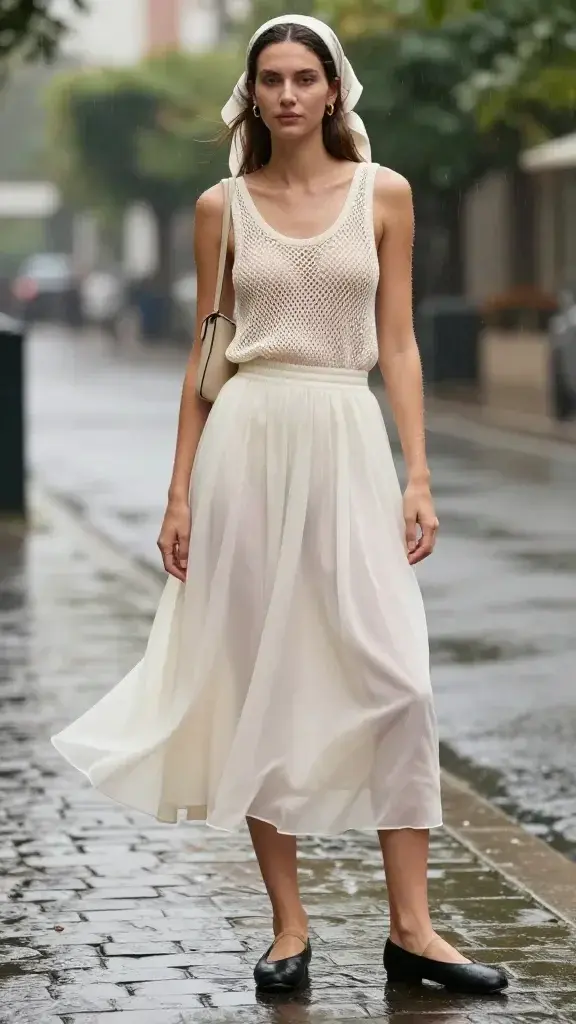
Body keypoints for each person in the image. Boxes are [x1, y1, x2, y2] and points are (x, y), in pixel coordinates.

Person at [52, 13, 507, 999]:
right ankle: (289, 925)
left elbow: (400, 346)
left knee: (400, 680)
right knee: (262, 674)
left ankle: (413, 929)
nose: (290, 94)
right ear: (251, 94)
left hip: (347, 436)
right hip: (246, 443)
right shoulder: (222, 206)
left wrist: (418, 471)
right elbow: (205, 358)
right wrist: (177, 492)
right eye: (272, 78)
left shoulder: (384, 195)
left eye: (307, 77)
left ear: (335, 90)